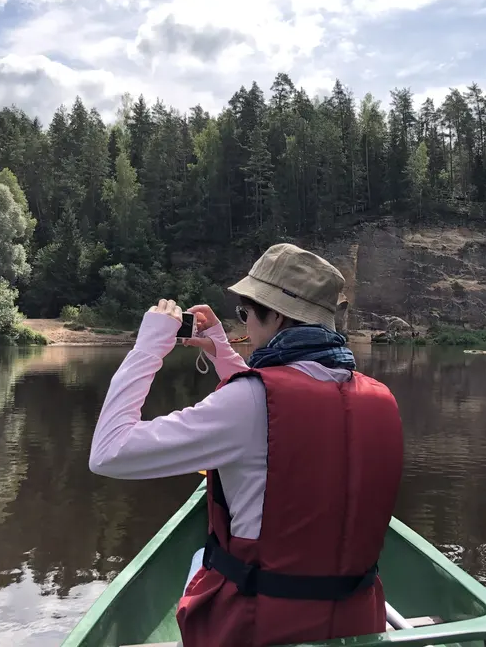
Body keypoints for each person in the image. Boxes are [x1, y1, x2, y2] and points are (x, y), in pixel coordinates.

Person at [88, 243, 404, 647]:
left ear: (274, 316)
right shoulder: (378, 397)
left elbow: (108, 452)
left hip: (260, 627)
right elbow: (278, 411)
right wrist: (223, 349)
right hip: (357, 624)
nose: (246, 326)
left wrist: (147, 347)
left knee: (201, 561)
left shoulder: (248, 404)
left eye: (245, 314)